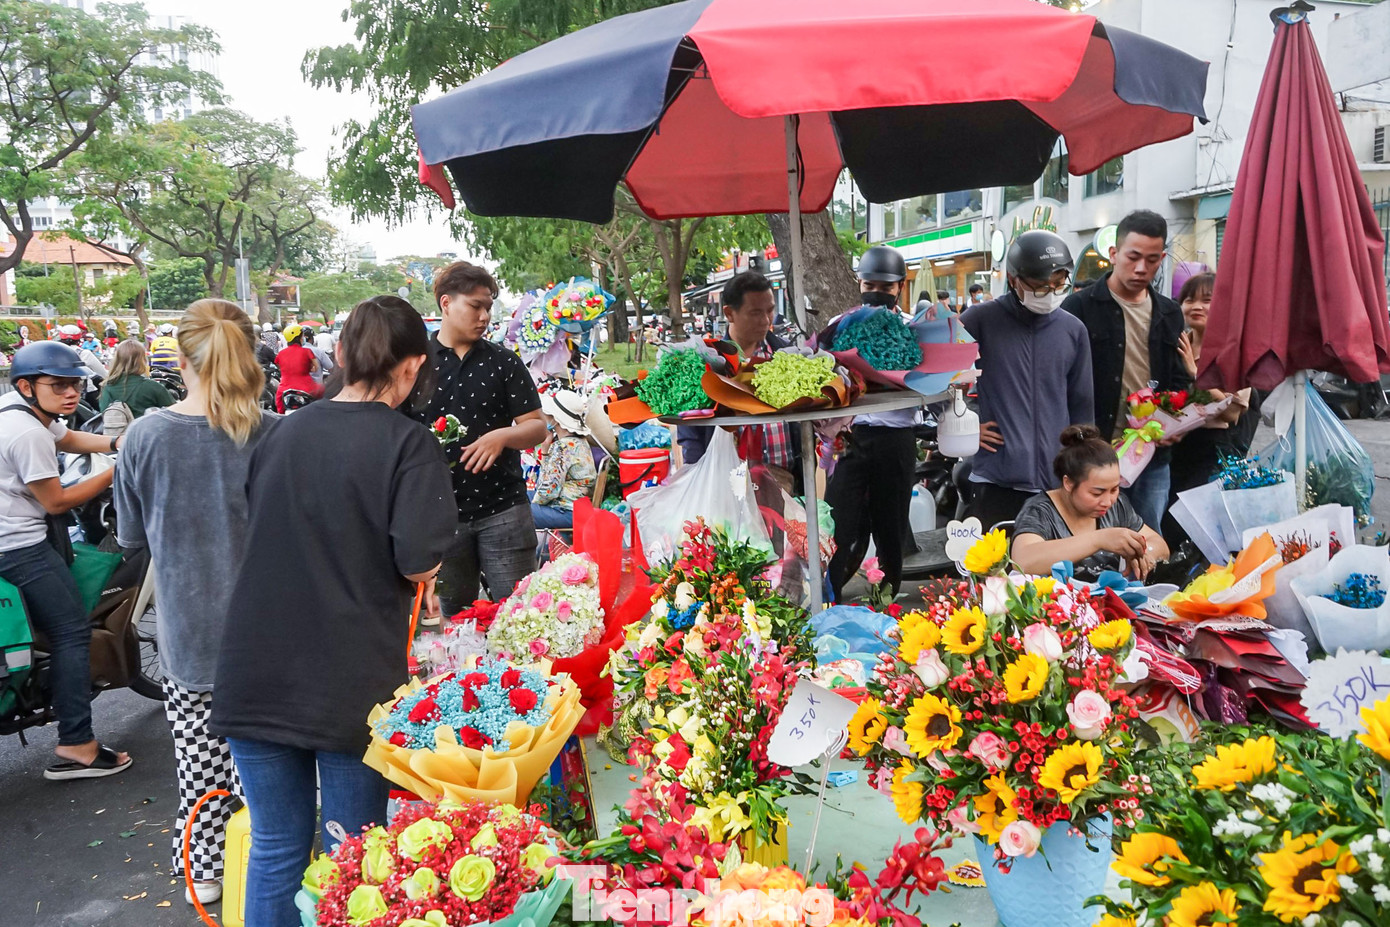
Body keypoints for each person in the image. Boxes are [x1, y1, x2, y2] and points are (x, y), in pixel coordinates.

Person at [210, 295, 456, 927]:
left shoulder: (282, 430)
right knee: (351, 856)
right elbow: (417, 561)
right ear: (411, 367)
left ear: (343, 355)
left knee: (275, 849)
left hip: (253, 670)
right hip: (349, 683)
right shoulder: (409, 444)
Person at [113, 299, 276, 906]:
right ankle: (266, 866)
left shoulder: (144, 437)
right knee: (267, 769)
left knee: (200, 766)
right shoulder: (272, 432)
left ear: (179, 358)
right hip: (269, 636)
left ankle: (205, 870)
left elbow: (131, 538)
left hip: (188, 635)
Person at [0, 342, 131, 779]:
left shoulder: (21, 410)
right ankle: (77, 741)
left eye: (76, 383)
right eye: (59, 385)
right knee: (71, 631)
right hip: (18, 547)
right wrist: (117, 468)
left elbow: (71, 437)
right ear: (27, 385)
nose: (72, 393)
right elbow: (56, 503)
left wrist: (117, 441)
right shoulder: (28, 433)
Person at [416, 262, 546, 614]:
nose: (485, 316)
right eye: (475, 306)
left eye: (489, 307)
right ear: (446, 303)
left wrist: (502, 436)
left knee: (519, 615)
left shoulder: (503, 362)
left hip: (504, 509)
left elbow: (537, 427)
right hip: (440, 516)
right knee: (454, 621)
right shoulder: (416, 365)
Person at [1062, 209, 1191, 531]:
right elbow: (1059, 379)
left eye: (1151, 260)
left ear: (1161, 258)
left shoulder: (1169, 311)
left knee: (1146, 540)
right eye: (1133, 257)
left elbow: (1176, 379)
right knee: (1091, 540)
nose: (1141, 268)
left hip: (1152, 455)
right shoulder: (1079, 308)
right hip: (1095, 453)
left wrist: (1173, 425)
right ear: (1114, 253)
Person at [962, 230, 1094, 530]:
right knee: (992, 570)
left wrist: (1083, 467)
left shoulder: (1074, 330)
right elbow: (935, 377)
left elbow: (1082, 404)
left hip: (1056, 481)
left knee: (1052, 573)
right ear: (1013, 279)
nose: (1050, 293)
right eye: (1039, 286)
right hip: (996, 477)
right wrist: (965, 425)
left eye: (1058, 284)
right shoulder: (978, 320)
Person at [827, 245, 918, 601]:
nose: (876, 292)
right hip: (851, 436)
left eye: (886, 286)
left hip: (896, 437)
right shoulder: (840, 325)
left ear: (900, 286)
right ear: (858, 282)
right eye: (869, 283)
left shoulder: (915, 330)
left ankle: (887, 599)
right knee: (839, 523)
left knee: (891, 524)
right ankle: (829, 596)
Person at [677, 271, 802, 492]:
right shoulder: (707, 362)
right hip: (726, 488)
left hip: (786, 484)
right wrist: (695, 480)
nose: (765, 321)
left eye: (770, 310)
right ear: (729, 313)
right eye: (755, 313)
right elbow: (690, 432)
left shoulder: (787, 355)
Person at [1011, 425, 1170, 582]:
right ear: (1069, 483)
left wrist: (1143, 554)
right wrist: (1099, 540)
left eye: (1114, 489)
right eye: (1097, 493)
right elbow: (1023, 561)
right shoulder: (1040, 511)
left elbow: (1159, 545)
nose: (1108, 502)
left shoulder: (1117, 505)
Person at [1168, 272, 1256, 499]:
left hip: (1213, 450)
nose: (1196, 306)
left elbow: (1232, 413)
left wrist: (1196, 374)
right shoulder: (1175, 345)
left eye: (1207, 301)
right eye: (1189, 300)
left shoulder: (1234, 353)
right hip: (1175, 447)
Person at [530, 390, 598, 555]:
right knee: (520, 498)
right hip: (577, 507)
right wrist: (545, 453)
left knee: (515, 511)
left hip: (568, 511)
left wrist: (534, 500)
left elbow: (548, 490)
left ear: (555, 420)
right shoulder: (578, 442)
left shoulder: (563, 447)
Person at [99, 340, 175, 431]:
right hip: (146, 439)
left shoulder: (106, 387)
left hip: (115, 440)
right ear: (142, 360)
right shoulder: (153, 387)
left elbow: (104, 413)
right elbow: (174, 413)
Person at [273, 324, 322, 412]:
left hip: (284, 387)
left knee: (279, 406)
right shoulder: (307, 351)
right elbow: (316, 367)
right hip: (307, 386)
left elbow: (279, 367)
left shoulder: (281, 353)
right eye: (302, 336)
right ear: (298, 338)